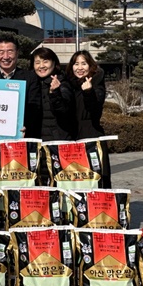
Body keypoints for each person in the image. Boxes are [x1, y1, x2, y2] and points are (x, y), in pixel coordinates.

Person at [66, 50, 111, 188]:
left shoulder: (96, 84)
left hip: (91, 138)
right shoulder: (68, 85)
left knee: (95, 182)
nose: (80, 68)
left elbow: (95, 110)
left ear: (90, 66)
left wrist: (88, 92)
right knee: (73, 184)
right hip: (71, 139)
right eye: (76, 64)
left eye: (84, 63)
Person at [0, 34, 42, 138]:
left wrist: (25, 126)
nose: (5, 57)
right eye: (1, 52)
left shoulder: (30, 78)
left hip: (21, 135)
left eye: (10, 51)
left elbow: (34, 108)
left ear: (17, 53)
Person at [31, 47, 75, 142]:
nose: (41, 66)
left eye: (45, 62)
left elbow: (65, 110)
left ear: (54, 63)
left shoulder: (62, 83)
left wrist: (55, 93)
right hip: (35, 140)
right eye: (37, 63)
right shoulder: (31, 84)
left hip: (57, 141)